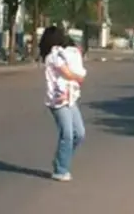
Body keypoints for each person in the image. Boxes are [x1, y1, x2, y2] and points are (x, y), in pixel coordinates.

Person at [40, 25, 86, 182]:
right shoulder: (52, 57)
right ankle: (60, 169)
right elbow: (66, 72)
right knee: (67, 134)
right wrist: (78, 77)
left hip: (70, 98)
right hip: (58, 101)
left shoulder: (62, 54)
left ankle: (61, 160)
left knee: (79, 134)